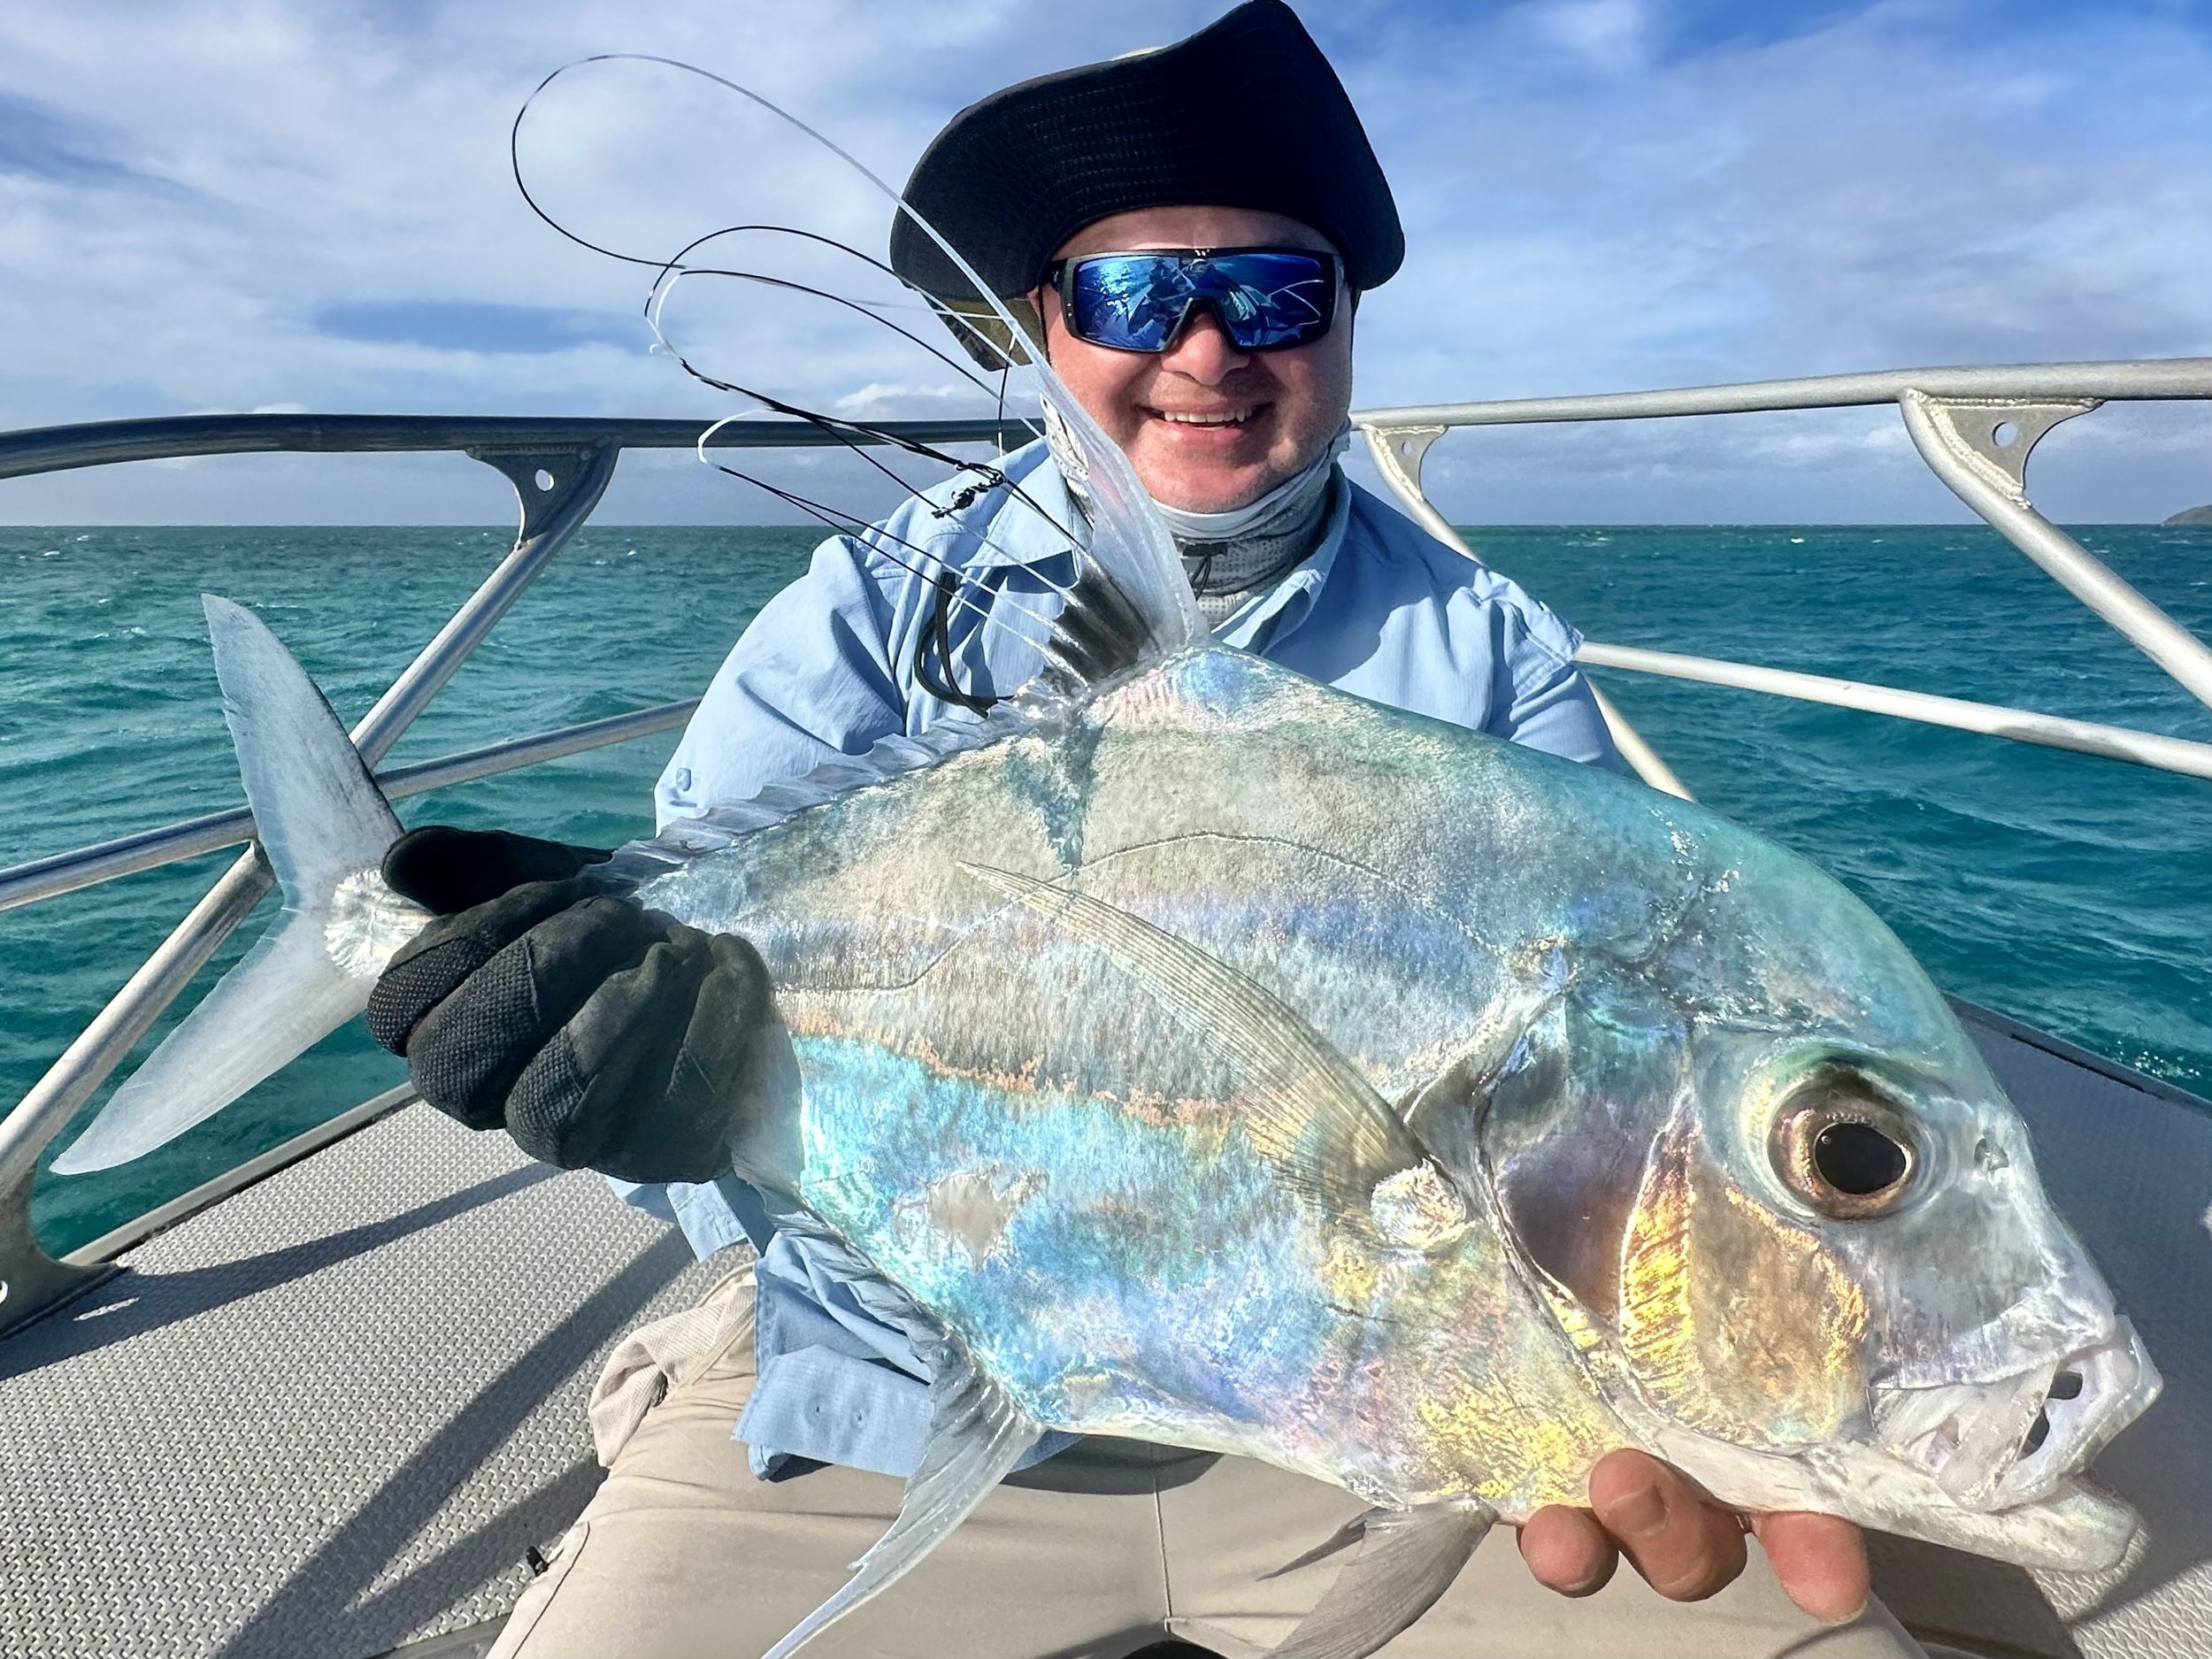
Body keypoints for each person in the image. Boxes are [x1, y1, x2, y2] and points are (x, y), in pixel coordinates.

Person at [367, 5, 1925, 1655]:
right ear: (1046, 328)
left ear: (1339, 327)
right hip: (885, 1400)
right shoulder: (861, 615)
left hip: (1403, 1429)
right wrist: (655, 1084)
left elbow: (1604, 1070)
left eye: (1272, 293)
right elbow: (685, 973)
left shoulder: (1488, 648)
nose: (1205, 350)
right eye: (1131, 296)